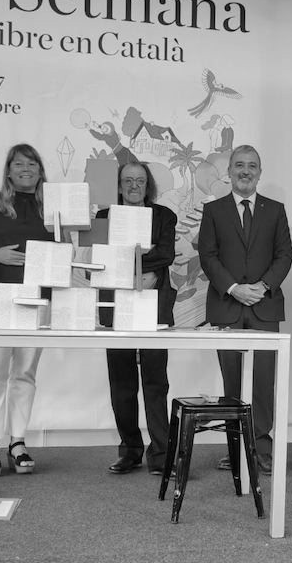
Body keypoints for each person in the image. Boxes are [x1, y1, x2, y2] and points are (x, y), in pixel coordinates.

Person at [198, 144, 292, 475]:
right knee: (233, 382)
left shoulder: (275, 210)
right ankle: (235, 449)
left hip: (265, 306)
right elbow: (208, 256)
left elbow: (284, 255)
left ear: (260, 172)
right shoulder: (214, 210)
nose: (245, 171)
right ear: (229, 171)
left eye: (252, 165)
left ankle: (261, 448)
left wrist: (263, 287)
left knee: (264, 381)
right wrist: (234, 288)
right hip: (227, 306)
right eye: (239, 164)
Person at [0, 144, 52, 477]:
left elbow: (68, 246)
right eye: (18, 164)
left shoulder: (52, 204)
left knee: (25, 372)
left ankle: (17, 442)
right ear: (8, 170)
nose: (25, 169)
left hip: (38, 297)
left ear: (40, 170)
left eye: (32, 164)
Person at [97, 162, 177, 475]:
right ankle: (130, 451)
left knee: (156, 383)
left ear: (148, 186)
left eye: (140, 181)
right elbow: (100, 256)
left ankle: (161, 454)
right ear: (119, 186)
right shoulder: (104, 217)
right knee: (122, 384)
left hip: (153, 307)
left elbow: (166, 254)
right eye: (127, 180)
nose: (134, 186)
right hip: (116, 307)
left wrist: (125, 259)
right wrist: (143, 259)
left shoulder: (164, 216)